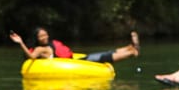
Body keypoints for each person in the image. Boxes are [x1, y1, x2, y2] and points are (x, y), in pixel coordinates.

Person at [9, 27, 140, 64]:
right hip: (75, 62)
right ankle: (130, 50)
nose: (45, 37)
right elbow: (31, 57)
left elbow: (31, 56)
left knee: (104, 55)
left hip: (76, 62)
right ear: (36, 38)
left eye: (46, 34)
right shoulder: (40, 49)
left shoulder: (44, 46)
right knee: (104, 56)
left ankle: (130, 49)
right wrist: (21, 42)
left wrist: (21, 43)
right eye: (41, 36)